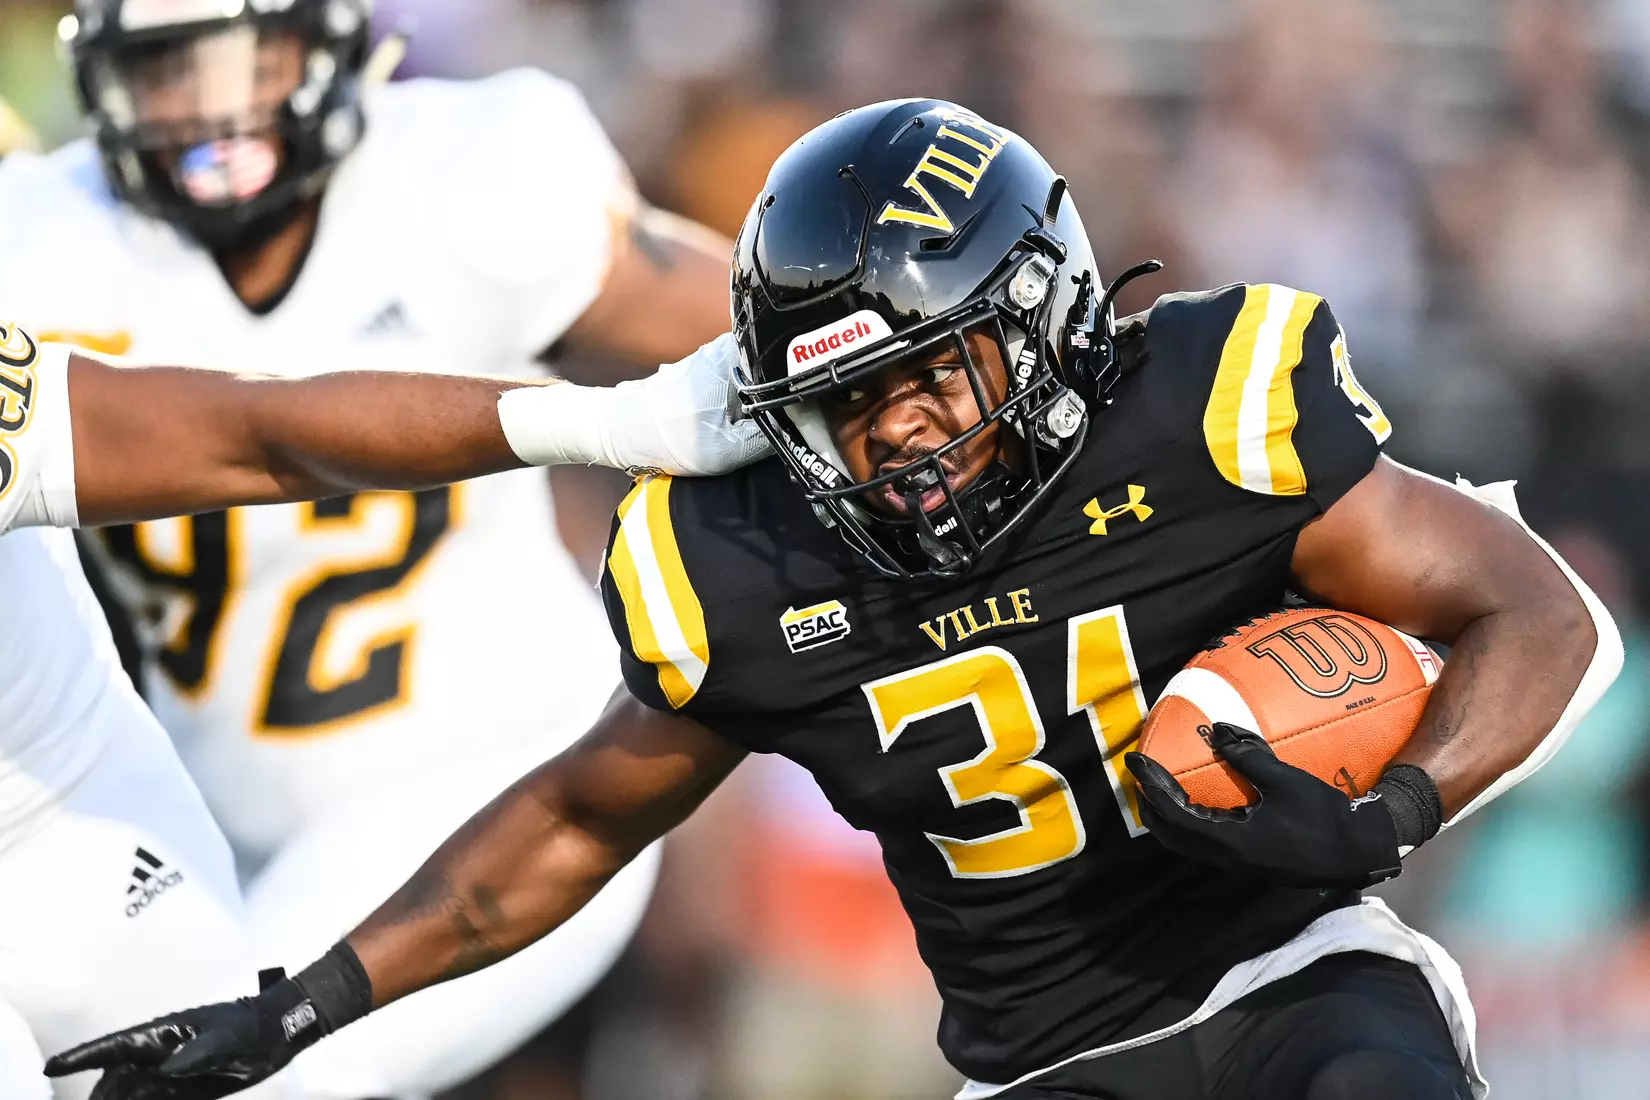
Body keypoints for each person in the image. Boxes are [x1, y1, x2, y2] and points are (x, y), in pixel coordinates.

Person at [50, 100, 1623, 1100]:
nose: (901, 432)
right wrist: (304, 1003)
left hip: (1296, 978)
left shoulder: (1203, 417)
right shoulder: (746, 563)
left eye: (933, 373)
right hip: (1042, 1063)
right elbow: (576, 824)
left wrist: (1398, 809)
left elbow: (1534, 613)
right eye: (850, 404)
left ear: (1046, 318)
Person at [1, 0, 741, 1093]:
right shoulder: (41, 238)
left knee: (251, 1078)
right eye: (170, 73)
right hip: (204, 828)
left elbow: (768, 329)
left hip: (502, 781)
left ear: (335, 44)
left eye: (252, 62)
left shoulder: (471, 176)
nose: (216, 115)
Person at [0, 319, 760, 1100]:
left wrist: (609, 420)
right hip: (222, 814)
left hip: (84, 821)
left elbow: (252, 435)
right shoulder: (47, 233)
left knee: (263, 1085)